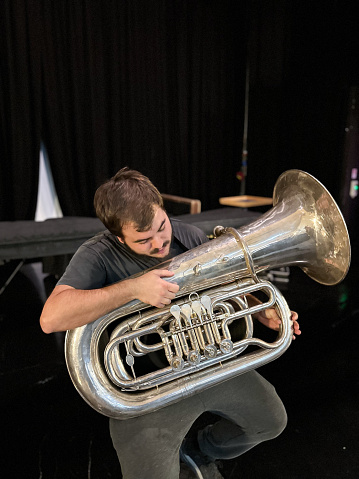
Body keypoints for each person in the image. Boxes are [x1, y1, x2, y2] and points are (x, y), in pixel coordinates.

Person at [40, 167, 300, 479]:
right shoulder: (98, 254)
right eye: (143, 239)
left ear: (162, 208)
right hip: (148, 387)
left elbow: (224, 291)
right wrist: (133, 288)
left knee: (270, 422)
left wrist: (259, 310)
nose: (160, 242)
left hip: (212, 366)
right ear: (118, 236)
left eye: (161, 226)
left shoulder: (187, 234)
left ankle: (202, 451)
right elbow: (51, 318)